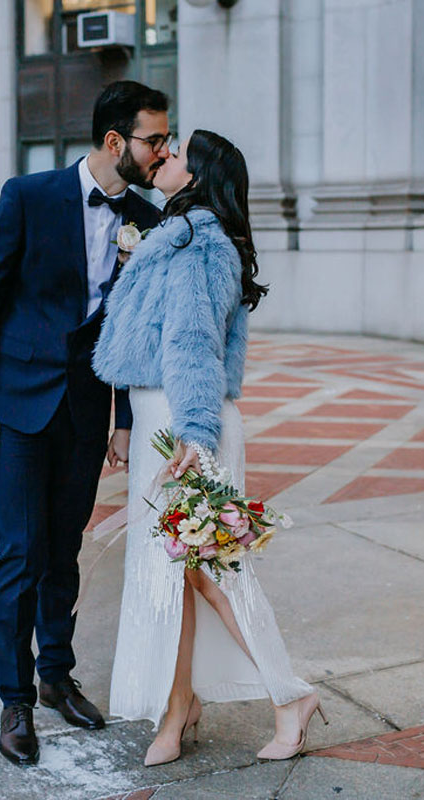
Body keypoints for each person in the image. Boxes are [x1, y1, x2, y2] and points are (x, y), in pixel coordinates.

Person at [0, 80, 171, 767]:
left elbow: (138, 329)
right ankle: (14, 700)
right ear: (116, 142)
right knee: (19, 555)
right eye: (154, 139)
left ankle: (55, 677)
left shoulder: (147, 215)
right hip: (17, 408)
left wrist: (126, 420)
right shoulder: (29, 196)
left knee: (62, 553)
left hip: (85, 410)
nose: (162, 150)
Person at [93, 130, 324, 767]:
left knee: (213, 570)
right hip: (160, 421)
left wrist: (194, 434)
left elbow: (194, 344)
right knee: (176, 574)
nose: (162, 157)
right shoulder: (182, 235)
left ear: (199, 177)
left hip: (184, 421)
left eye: (176, 154)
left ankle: (289, 696)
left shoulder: (201, 244)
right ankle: (179, 706)